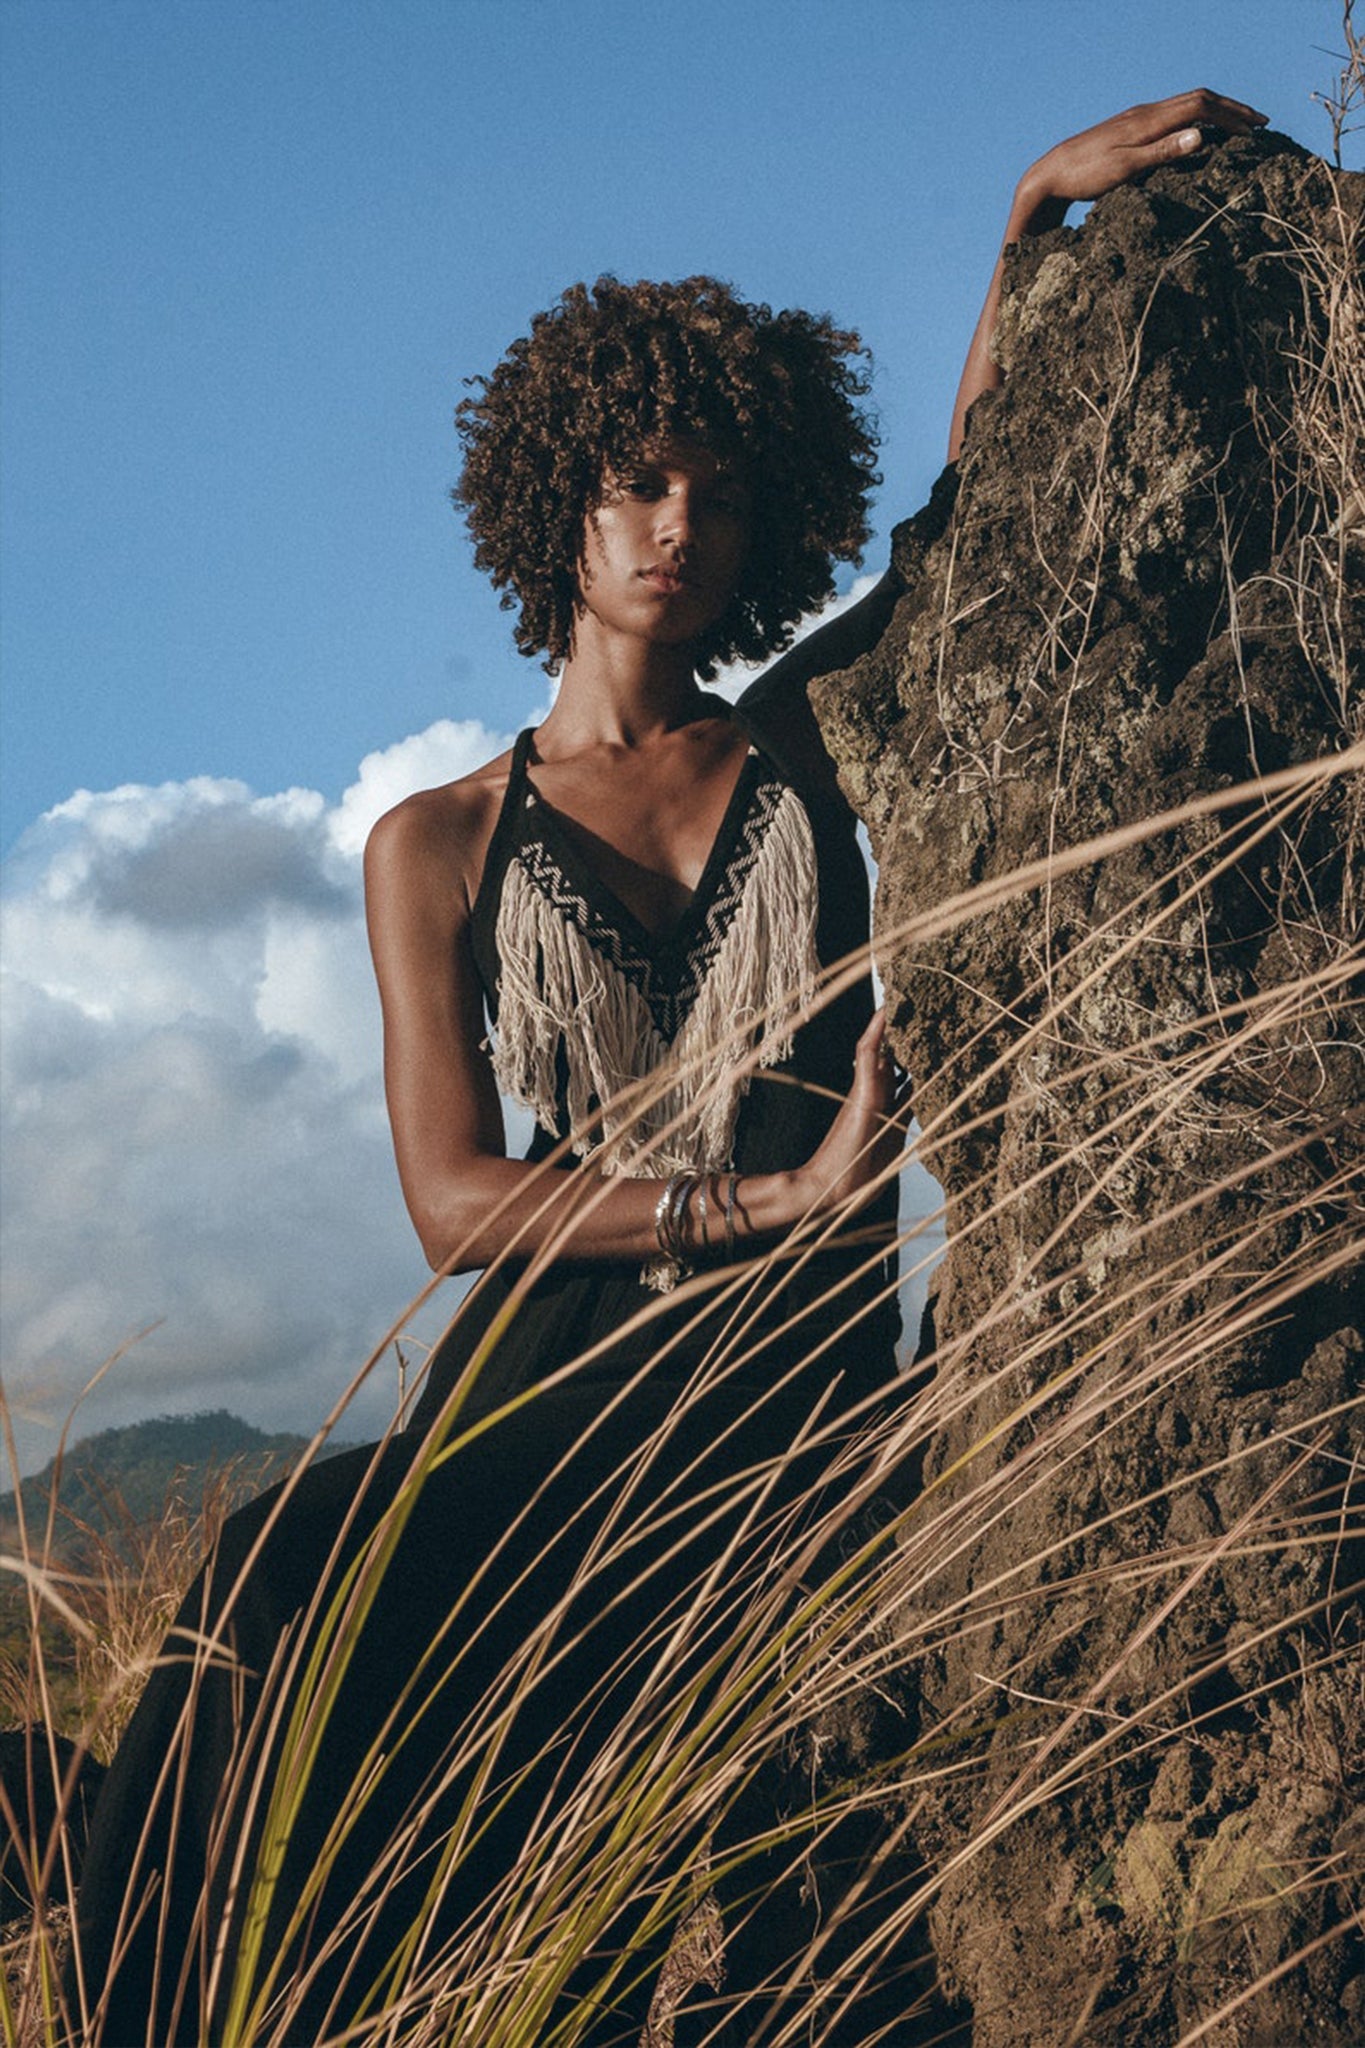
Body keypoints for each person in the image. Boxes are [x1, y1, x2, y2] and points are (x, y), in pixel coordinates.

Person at [62, 90, 1266, 2047]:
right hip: (543, 1395)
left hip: (783, 1396)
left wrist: (1020, 229)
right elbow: (452, 1202)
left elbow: (974, 531)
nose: (675, 527)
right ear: (558, 501)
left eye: (712, 491)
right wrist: (769, 1194)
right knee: (275, 1579)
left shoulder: (811, 737)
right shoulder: (435, 838)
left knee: (809, 1860)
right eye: (633, 485)